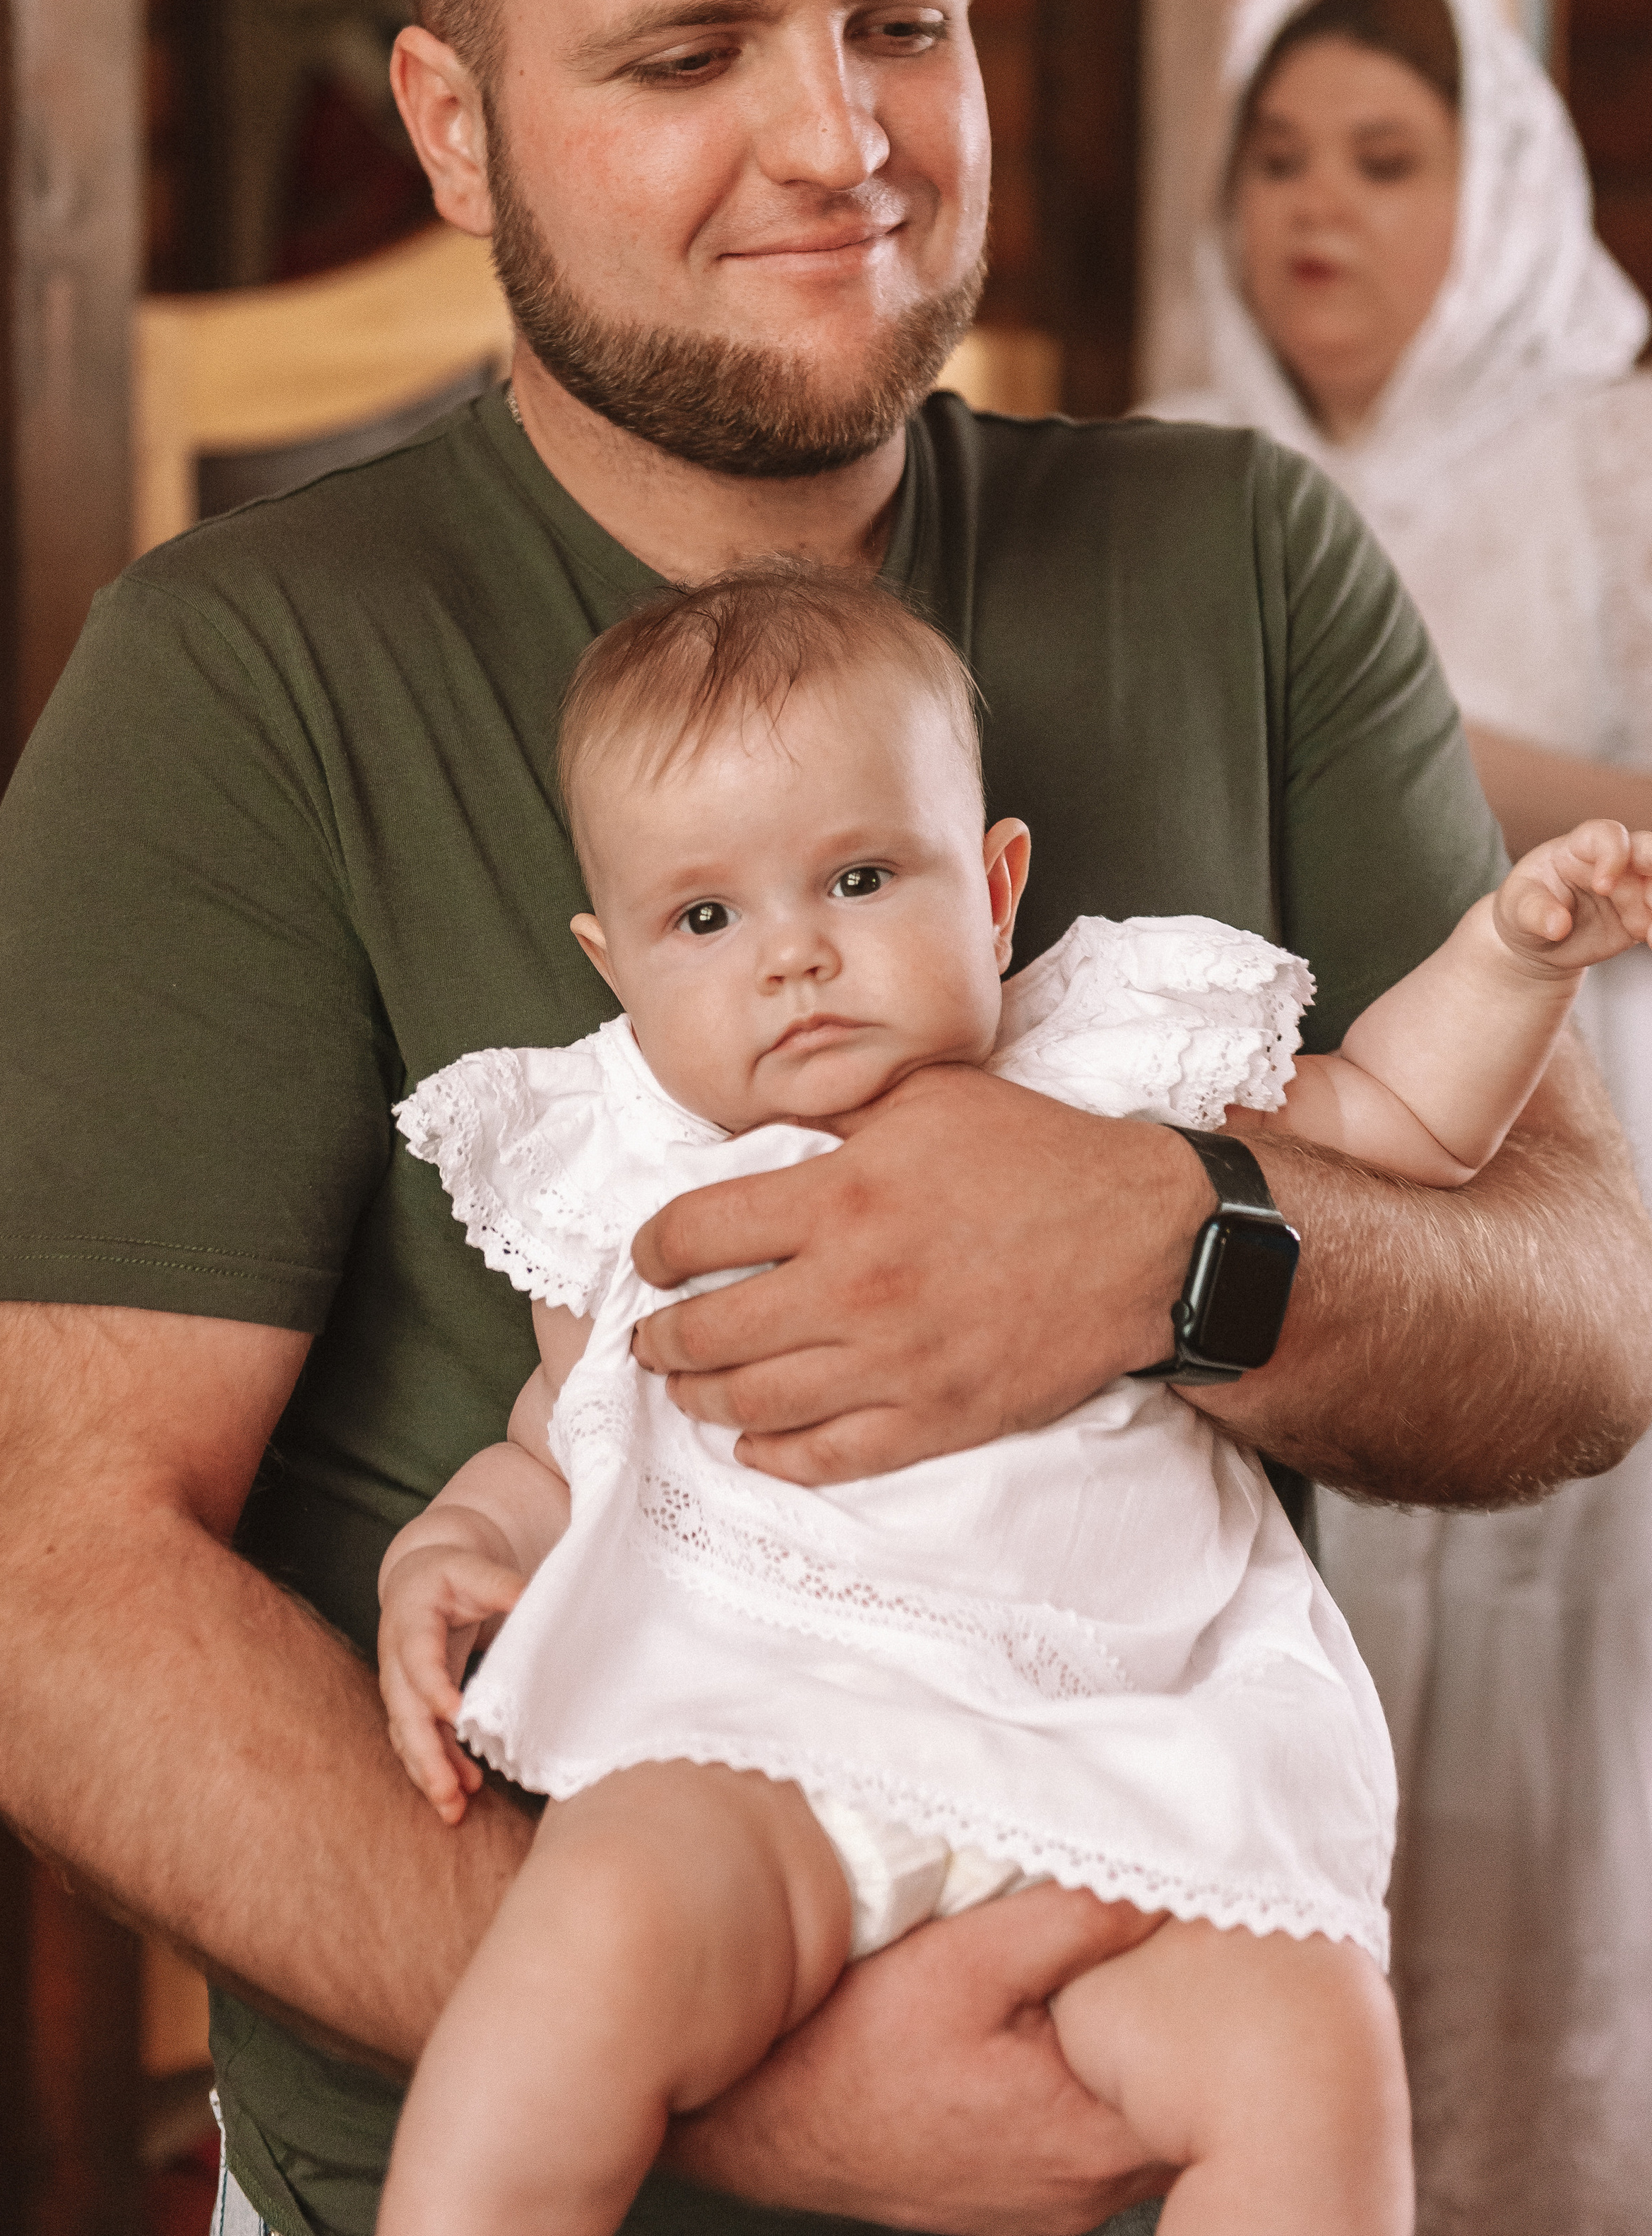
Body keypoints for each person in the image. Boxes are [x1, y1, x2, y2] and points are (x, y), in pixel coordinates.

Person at [0, 0, 1652, 2236]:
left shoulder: (1242, 561)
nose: (841, 139)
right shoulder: (244, 673)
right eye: (690, 52)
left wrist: (1172, 1244)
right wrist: (756, 2084)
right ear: (454, 126)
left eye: (903, 21)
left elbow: (1582, 1316)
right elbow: (31, 1601)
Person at [374, 559, 1652, 2236]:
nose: (793, 957)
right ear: (613, 968)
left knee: (1309, 2061)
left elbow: (1403, 1126)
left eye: (857, 877)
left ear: (990, 892)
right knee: (571, 1973)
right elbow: (567, 1430)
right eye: (705, 920)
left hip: (1129, 1748)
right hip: (757, 1744)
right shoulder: (617, 1156)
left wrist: (1510, 957)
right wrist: (464, 1543)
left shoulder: (1103, 1061)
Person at [1148, 0, 1652, 2235]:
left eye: (1384, 161)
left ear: (1506, 198)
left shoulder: (1613, 461)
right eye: (1277, 161)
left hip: (1571, 1135)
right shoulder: (1172, 463)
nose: (1316, 210)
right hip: (1261, 1154)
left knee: (1544, 1632)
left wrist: (1386, 727)